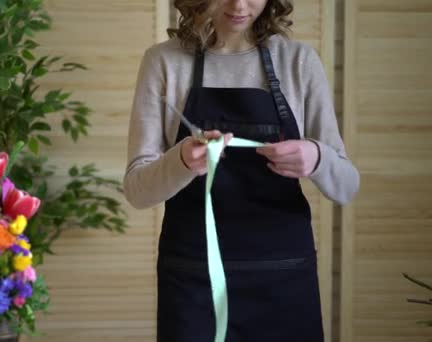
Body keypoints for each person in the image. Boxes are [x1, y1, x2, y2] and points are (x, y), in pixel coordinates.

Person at [123, 0, 360, 341]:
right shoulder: (164, 62)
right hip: (193, 283)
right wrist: (182, 162)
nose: (239, 5)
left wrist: (317, 157)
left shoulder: (299, 62)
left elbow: (347, 186)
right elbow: (137, 190)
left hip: (284, 279)